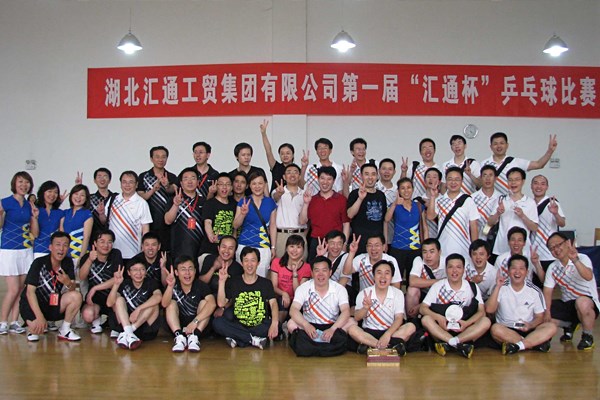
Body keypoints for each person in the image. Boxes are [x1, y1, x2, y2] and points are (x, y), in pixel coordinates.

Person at [420, 254, 492, 359]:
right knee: (426, 319)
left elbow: (481, 311)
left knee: (486, 321)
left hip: (464, 328)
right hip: (442, 328)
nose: (454, 271)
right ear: (446, 269)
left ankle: (453, 342)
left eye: (458, 267)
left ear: (463, 270)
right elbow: (423, 308)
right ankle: (458, 345)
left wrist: (467, 323)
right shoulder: (438, 286)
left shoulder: (472, 286)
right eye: (450, 267)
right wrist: (438, 317)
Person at [486, 254, 556, 355]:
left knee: (551, 327)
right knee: (495, 329)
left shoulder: (535, 291)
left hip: (528, 328)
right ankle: (533, 343)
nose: (517, 272)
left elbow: (540, 317)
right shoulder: (500, 287)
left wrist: (530, 325)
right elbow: (489, 310)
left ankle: (518, 346)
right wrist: (497, 287)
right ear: (508, 271)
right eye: (514, 268)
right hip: (506, 329)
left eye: (521, 268)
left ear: (527, 272)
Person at [19, 232, 82, 342]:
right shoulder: (39, 263)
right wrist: (39, 316)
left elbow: (72, 290)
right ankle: (34, 325)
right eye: (58, 244)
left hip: (52, 304)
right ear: (50, 247)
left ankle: (65, 330)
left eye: (65, 245)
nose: (61, 248)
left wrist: (68, 283)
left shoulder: (68, 262)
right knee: (36, 330)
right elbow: (30, 292)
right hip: (33, 304)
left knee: (76, 296)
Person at [288, 256, 355, 357]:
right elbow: (293, 310)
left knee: (352, 321)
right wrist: (306, 325)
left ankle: (312, 347)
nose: (320, 274)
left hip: (332, 325)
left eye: (324, 270)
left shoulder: (339, 289)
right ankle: (327, 347)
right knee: (291, 323)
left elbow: (346, 311)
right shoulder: (303, 288)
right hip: (310, 326)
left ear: (330, 272)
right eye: (317, 270)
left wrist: (332, 329)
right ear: (312, 273)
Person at [214, 247, 279, 349]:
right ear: (242, 263)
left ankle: (237, 338)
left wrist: (274, 323)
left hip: (259, 325)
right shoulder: (234, 282)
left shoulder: (266, 283)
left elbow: (273, 304)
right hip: (238, 324)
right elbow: (221, 303)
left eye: (253, 260)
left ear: (258, 263)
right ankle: (252, 339)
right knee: (217, 323)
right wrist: (222, 282)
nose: (249, 264)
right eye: (246, 260)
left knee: (275, 325)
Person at [543, 232, 599, 351]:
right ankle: (569, 325)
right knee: (541, 311)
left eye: (558, 245)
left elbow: (588, 276)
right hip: (568, 304)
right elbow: (547, 291)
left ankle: (587, 336)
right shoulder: (552, 267)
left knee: (581, 302)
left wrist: (575, 260)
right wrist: (547, 311)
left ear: (568, 243)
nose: (556, 250)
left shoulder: (582, 258)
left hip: (588, 303)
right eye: (552, 248)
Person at [349, 260, 416, 355]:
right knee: (352, 329)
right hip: (369, 332)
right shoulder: (364, 293)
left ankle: (371, 346)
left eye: (387, 273)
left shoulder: (398, 293)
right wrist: (365, 308)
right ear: (374, 275)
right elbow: (357, 317)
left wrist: (387, 335)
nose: (383, 277)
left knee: (411, 327)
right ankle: (389, 346)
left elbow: (399, 319)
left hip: (391, 332)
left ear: (392, 277)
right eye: (379, 273)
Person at [0, 171, 38, 335]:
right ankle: (3, 321)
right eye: (20, 182)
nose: (24, 185)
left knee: (21, 289)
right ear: (14, 184)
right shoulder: (5, 202)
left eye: (27, 182)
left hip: (26, 249)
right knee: (13, 289)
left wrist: (35, 217)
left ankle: (14, 321)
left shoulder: (30, 205)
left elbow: (35, 233)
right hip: (9, 249)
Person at [162, 255, 216, 353]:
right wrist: (170, 286)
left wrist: (195, 322)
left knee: (205, 303)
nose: (187, 273)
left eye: (190, 269)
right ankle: (179, 338)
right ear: (176, 272)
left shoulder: (201, 285)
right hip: (178, 326)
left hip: (197, 327)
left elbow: (212, 304)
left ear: (195, 271)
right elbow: (164, 304)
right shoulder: (173, 284)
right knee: (171, 303)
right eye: (183, 269)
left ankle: (194, 338)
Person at [481, 132, 558, 196]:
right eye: (495, 144)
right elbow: (479, 184)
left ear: (507, 145)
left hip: (511, 202)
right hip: (491, 203)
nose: (499, 146)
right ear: (491, 147)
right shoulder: (484, 163)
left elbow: (539, 164)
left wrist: (550, 151)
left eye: (502, 143)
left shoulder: (516, 161)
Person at [107, 261, 162, 350]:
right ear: (129, 272)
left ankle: (128, 333)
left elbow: (158, 296)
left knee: (154, 304)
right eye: (135, 270)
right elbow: (109, 303)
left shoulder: (151, 282)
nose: (139, 273)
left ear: (146, 272)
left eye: (142, 269)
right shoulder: (124, 283)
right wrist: (116, 284)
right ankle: (129, 333)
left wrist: (139, 309)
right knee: (119, 300)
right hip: (126, 323)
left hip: (144, 328)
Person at [299, 166, 350, 262]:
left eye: (329, 179)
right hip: (316, 241)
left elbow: (346, 224)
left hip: (335, 242)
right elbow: (302, 221)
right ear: (318, 179)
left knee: (337, 268)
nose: (325, 182)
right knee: (314, 268)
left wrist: (344, 244)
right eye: (322, 178)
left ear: (334, 181)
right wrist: (306, 203)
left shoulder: (341, 200)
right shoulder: (312, 200)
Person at [427, 167, 478, 259]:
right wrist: (433, 197)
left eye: (457, 179)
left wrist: (475, 249)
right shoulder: (440, 200)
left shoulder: (468, 200)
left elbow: (473, 226)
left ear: (462, 181)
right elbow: (430, 216)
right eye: (450, 179)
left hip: (464, 249)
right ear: (446, 182)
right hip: (443, 249)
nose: (453, 182)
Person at [232, 172, 277, 278]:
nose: (257, 186)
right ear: (249, 185)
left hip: (263, 245)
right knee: (242, 278)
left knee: (260, 279)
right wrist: (243, 214)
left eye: (260, 183)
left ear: (265, 184)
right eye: (254, 183)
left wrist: (273, 247)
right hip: (244, 244)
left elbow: (273, 225)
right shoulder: (243, 201)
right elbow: (235, 225)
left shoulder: (270, 202)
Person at [487, 167, 538, 257]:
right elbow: (489, 223)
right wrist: (498, 213)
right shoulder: (501, 200)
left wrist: (522, 216)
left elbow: (534, 228)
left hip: (523, 250)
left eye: (517, 179)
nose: (513, 183)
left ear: (523, 181)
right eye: (510, 180)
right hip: (501, 248)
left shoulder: (530, 202)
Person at [79, 229, 123, 334]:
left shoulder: (116, 254)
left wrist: (95, 288)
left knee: (118, 303)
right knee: (88, 314)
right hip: (94, 298)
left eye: (109, 242)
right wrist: (90, 260)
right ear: (95, 243)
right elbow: (81, 276)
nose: (106, 245)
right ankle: (97, 320)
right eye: (102, 242)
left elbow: (116, 278)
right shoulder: (87, 257)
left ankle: (118, 327)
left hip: (112, 295)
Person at [137, 146, 178, 252]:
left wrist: (166, 185)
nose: (161, 159)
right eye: (157, 157)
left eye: (163, 157)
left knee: (166, 251)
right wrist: (153, 190)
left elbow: (173, 191)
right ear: (151, 159)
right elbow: (140, 197)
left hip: (166, 221)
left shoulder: (172, 176)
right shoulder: (143, 176)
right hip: (148, 220)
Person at [385, 177, 427, 283]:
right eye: (402, 188)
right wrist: (395, 203)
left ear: (412, 189)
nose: (406, 190)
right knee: (395, 280)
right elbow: (386, 219)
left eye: (408, 187)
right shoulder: (395, 206)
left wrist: (425, 247)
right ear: (398, 191)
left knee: (412, 281)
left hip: (415, 248)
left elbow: (424, 227)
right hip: (397, 248)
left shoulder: (419, 206)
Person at [107, 171, 153, 263]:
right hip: (112, 251)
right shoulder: (113, 199)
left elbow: (145, 228)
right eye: (124, 182)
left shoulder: (142, 203)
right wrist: (100, 214)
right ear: (120, 184)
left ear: (136, 185)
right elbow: (105, 220)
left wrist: (145, 246)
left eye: (131, 182)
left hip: (133, 251)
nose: (127, 185)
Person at [164, 168, 205, 260]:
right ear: (181, 183)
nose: (189, 181)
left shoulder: (204, 201)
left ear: (198, 182)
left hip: (199, 248)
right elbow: (167, 221)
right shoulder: (173, 199)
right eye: (186, 179)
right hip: (178, 247)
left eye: (193, 178)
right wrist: (175, 205)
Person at [347, 163, 388, 254]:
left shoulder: (381, 195)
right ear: (361, 176)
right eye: (367, 174)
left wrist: (385, 241)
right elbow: (350, 215)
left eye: (373, 174)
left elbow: (384, 221)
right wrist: (360, 198)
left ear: (377, 176)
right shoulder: (355, 193)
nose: (370, 177)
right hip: (359, 242)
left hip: (377, 243)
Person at [270, 234, 311, 323]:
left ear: (303, 250)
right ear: (286, 248)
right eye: (291, 246)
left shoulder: (307, 267)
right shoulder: (276, 262)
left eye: (298, 247)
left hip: (297, 300)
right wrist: (284, 293)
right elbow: (273, 287)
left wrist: (295, 273)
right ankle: (278, 327)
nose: (295, 250)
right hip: (281, 297)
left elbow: (298, 292)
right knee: (281, 302)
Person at [530, 175, 566, 275]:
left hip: (550, 253)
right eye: (536, 183)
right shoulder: (528, 203)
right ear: (531, 186)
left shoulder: (552, 203)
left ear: (547, 187)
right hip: (533, 253)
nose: (539, 187)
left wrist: (555, 213)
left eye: (542, 184)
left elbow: (562, 223)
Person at [259, 119, 306, 193]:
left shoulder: (296, 169)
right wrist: (263, 134)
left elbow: (302, 186)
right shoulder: (276, 167)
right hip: (275, 198)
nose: (285, 155)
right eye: (282, 153)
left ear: (293, 155)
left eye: (288, 153)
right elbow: (268, 151)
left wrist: (304, 167)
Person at [271, 164, 308, 258]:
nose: (292, 175)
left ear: (299, 176)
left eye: (295, 172)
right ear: (284, 177)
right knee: (280, 264)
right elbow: (275, 198)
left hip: (300, 234)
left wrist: (303, 234)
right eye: (289, 172)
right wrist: (279, 193)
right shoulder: (277, 191)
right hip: (282, 235)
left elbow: (309, 219)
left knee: (301, 264)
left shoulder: (305, 194)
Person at [405, 238, 446, 318]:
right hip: (424, 293)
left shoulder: (447, 262)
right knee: (412, 289)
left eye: (432, 252)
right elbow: (412, 281)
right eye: (425, 252)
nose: (428, 256)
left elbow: (450, 285)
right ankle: (412, 320)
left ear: (439, 252)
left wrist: (420, 306)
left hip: (441, 296)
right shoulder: (419, 260)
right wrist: (440, 281)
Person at [201, 172, 237, 255]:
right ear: (216, 186)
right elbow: (207, 222)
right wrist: (211, 236)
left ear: (231, 187)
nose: (224, 187)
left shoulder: (234, 204)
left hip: (228, 252)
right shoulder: (209, 203)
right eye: (221, 184)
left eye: (228, 184)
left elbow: (234, 228)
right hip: (210, 249)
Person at [60, 184, 93, 263]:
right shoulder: (65, 212)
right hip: (65, 255)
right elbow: (61, 234)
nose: (78, 197)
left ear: (86, 198)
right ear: (71, 195)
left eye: (82, 195)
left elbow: (86, 238)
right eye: (76, 194)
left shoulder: (87, 214)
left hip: (79, 254)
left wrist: (81, 258)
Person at [33, 181, 64, 259]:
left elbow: (61, 234)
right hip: (38, 251)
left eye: (55, 192)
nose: (52, 195)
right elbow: (35, 235)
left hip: (54, 252)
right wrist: (35, 218)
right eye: (49, 191)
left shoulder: (60, 213)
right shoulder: (35, 210)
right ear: (43, 193)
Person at [471, 165, 500, 242]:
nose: (488, 178)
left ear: (495, 178)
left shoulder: (501, 198)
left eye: (490, 175)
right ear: (481, 178)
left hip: (496, 241)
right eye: (485, 175)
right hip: (476, 240)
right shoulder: (472, 198)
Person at [376, 158, 398, 245]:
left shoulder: (398, 191)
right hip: (374, 234)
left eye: (390, 169)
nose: (387, 172)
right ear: (379, 171)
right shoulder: (373, 188)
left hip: (392, 235)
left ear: (394, 172)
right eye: (384, 169)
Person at [89, 168, 114, 241]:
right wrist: (79, 187)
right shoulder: (89, 199)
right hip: (94, 237)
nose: (102, 179)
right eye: (99, 176)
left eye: (105, 176)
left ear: (109, 180)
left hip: (112, 236)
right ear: (94, 180)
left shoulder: (116, 198)